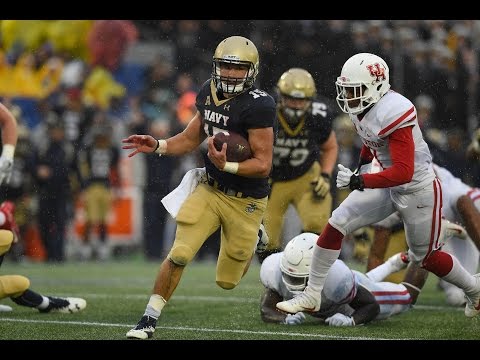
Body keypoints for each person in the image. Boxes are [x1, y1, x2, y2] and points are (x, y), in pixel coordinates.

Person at [276, 52, 480, 319]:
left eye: (355, 90)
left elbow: (404, 172)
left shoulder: (394, 110)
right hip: (388, 183)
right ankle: (312, 293)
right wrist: (360, 168)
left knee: (426, 257)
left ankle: (474, 289)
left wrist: (360, 180)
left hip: (418, 190)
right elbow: (371, 144)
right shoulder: (363, 107)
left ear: (376, 87)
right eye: (346, 90)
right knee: (337, 221)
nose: (349, 97)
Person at [122, 35, 276, 339]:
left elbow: (263, 164)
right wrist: (159, 145)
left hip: (246, 199)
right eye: (225, 66)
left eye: (238, 67)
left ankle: (256, 233)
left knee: (228, 281)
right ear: (216, 66)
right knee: (179, 253)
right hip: (210, 188)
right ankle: (149, 318)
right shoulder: (207, 91)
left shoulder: (259, 105)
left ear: (252, 71)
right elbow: (191, 138)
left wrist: (228, 165)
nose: (230, 73)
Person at [0, 103, 86, 313]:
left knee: (10, 239)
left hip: (55, 192)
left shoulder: (61, 147)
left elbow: (8, 120)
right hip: (43, 192)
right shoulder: (42, 145)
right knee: (9, 227)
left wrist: (7, 155)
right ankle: (52, 303)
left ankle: (54, 267)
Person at [368, 163, 480, 306]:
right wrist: (367, 288)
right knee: (456, 296)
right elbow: (376, 254)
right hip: (439, 236)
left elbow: (465, 201)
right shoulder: (385, 200)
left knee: (465, 202)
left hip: (461, 217)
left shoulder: (447, 187)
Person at [259, 68, 338, 262]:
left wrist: (326, 175)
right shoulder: (266, 112)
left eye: (301, 100)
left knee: (316, 224)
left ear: (310, 99)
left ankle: (306, 273)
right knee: (266, 239)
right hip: (274, 180)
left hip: (306, 176)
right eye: (291, 99)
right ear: (281, 96)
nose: (295, 105)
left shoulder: (319, 114)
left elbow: (330, 147)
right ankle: (273, 279)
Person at [261, 232, 413, 326]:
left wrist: (352, 320)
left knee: (407, 296)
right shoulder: (275, 270)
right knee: (365, 279)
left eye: (300, 279)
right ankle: (392, 264)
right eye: (289, 276)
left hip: (349, 304)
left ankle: (423, 255)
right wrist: (282, 318)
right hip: (344, 289)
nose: (292, 284)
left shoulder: (337, 281)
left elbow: (371, 305)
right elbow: (267, 309)